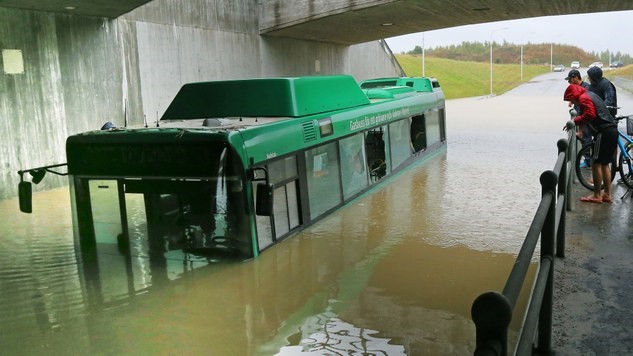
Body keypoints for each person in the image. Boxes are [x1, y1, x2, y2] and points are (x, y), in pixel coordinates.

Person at [563, 84, 618, 203]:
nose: (571, 102)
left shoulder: (583, 98)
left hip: (602, 132)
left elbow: (590, 114)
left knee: (596, 163)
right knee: (604, 164)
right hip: (611, 130)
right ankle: (607, 194)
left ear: (574, 95)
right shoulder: (591, 95)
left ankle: (597, 195)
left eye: (570, 99)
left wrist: (575, 121)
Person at [565, 70, 592, 167]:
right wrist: (572, 101)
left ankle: (588, 161)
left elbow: (585, 106)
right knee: (583, 138)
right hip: (580, 117)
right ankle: (588, 159)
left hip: (585, 118)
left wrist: (580, 126)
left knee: (585, 137)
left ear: (576, 77)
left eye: (570, 79)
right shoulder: (577, 87)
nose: (569, 82)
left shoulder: (586, 87)